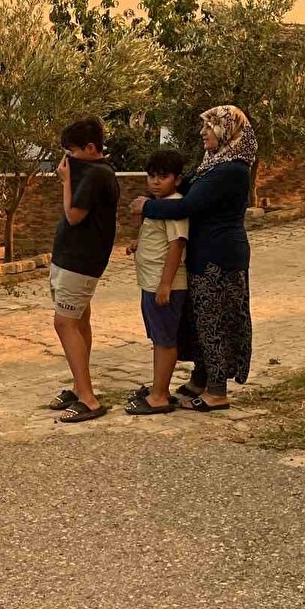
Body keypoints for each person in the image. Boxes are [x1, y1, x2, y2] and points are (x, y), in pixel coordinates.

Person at [131, 106, 256, 411]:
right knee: (200, 320)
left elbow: (185, 206)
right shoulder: (213, 164)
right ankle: (200, 380)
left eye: (209, 127)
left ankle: (217, 392)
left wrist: (146, 207)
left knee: (214, 322)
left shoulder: (231, 170)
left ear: (227, 131)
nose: (203, 133)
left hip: (219, 258)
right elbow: (182, 188)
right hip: (205, 256)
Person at [46, 117, 121, 423]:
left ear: (90, 148)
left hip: (80, 261)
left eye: (72, 152)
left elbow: (74, 215)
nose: (68, 159)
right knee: (79, 321)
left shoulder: (97, 175)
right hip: (70, 258)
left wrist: (66, 181)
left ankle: (88, 399)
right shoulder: (93, 172)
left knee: (64, 323)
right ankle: (80, 387)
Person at [124, 149, 189, 416]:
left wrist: (165, 284)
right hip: (149, 283)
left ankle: (160, 396)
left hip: (165, 286)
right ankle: (157, 388)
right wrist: (138, 244)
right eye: (151, 176)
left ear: (177, 179)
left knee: (164, 340)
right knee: (158, 338)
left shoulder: (174, 207)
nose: (155, 181)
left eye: (163, 176)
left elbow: (177, 245)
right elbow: (158, 238)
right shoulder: (156, 205)